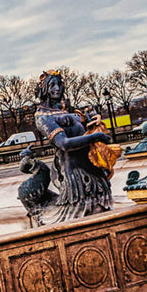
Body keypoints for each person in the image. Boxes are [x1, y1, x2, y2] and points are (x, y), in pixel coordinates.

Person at [32, 70, 117, 220]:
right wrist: (96, 136)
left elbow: (80, 131)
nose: (57, 88)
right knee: (83, 216)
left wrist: (92, 125)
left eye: (59, 84)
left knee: (103, 210)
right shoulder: (42, 117)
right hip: (75, 174)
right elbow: (64, 144)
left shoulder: (63, 110)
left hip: (92, 169)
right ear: (44, 89)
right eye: (52, 85)